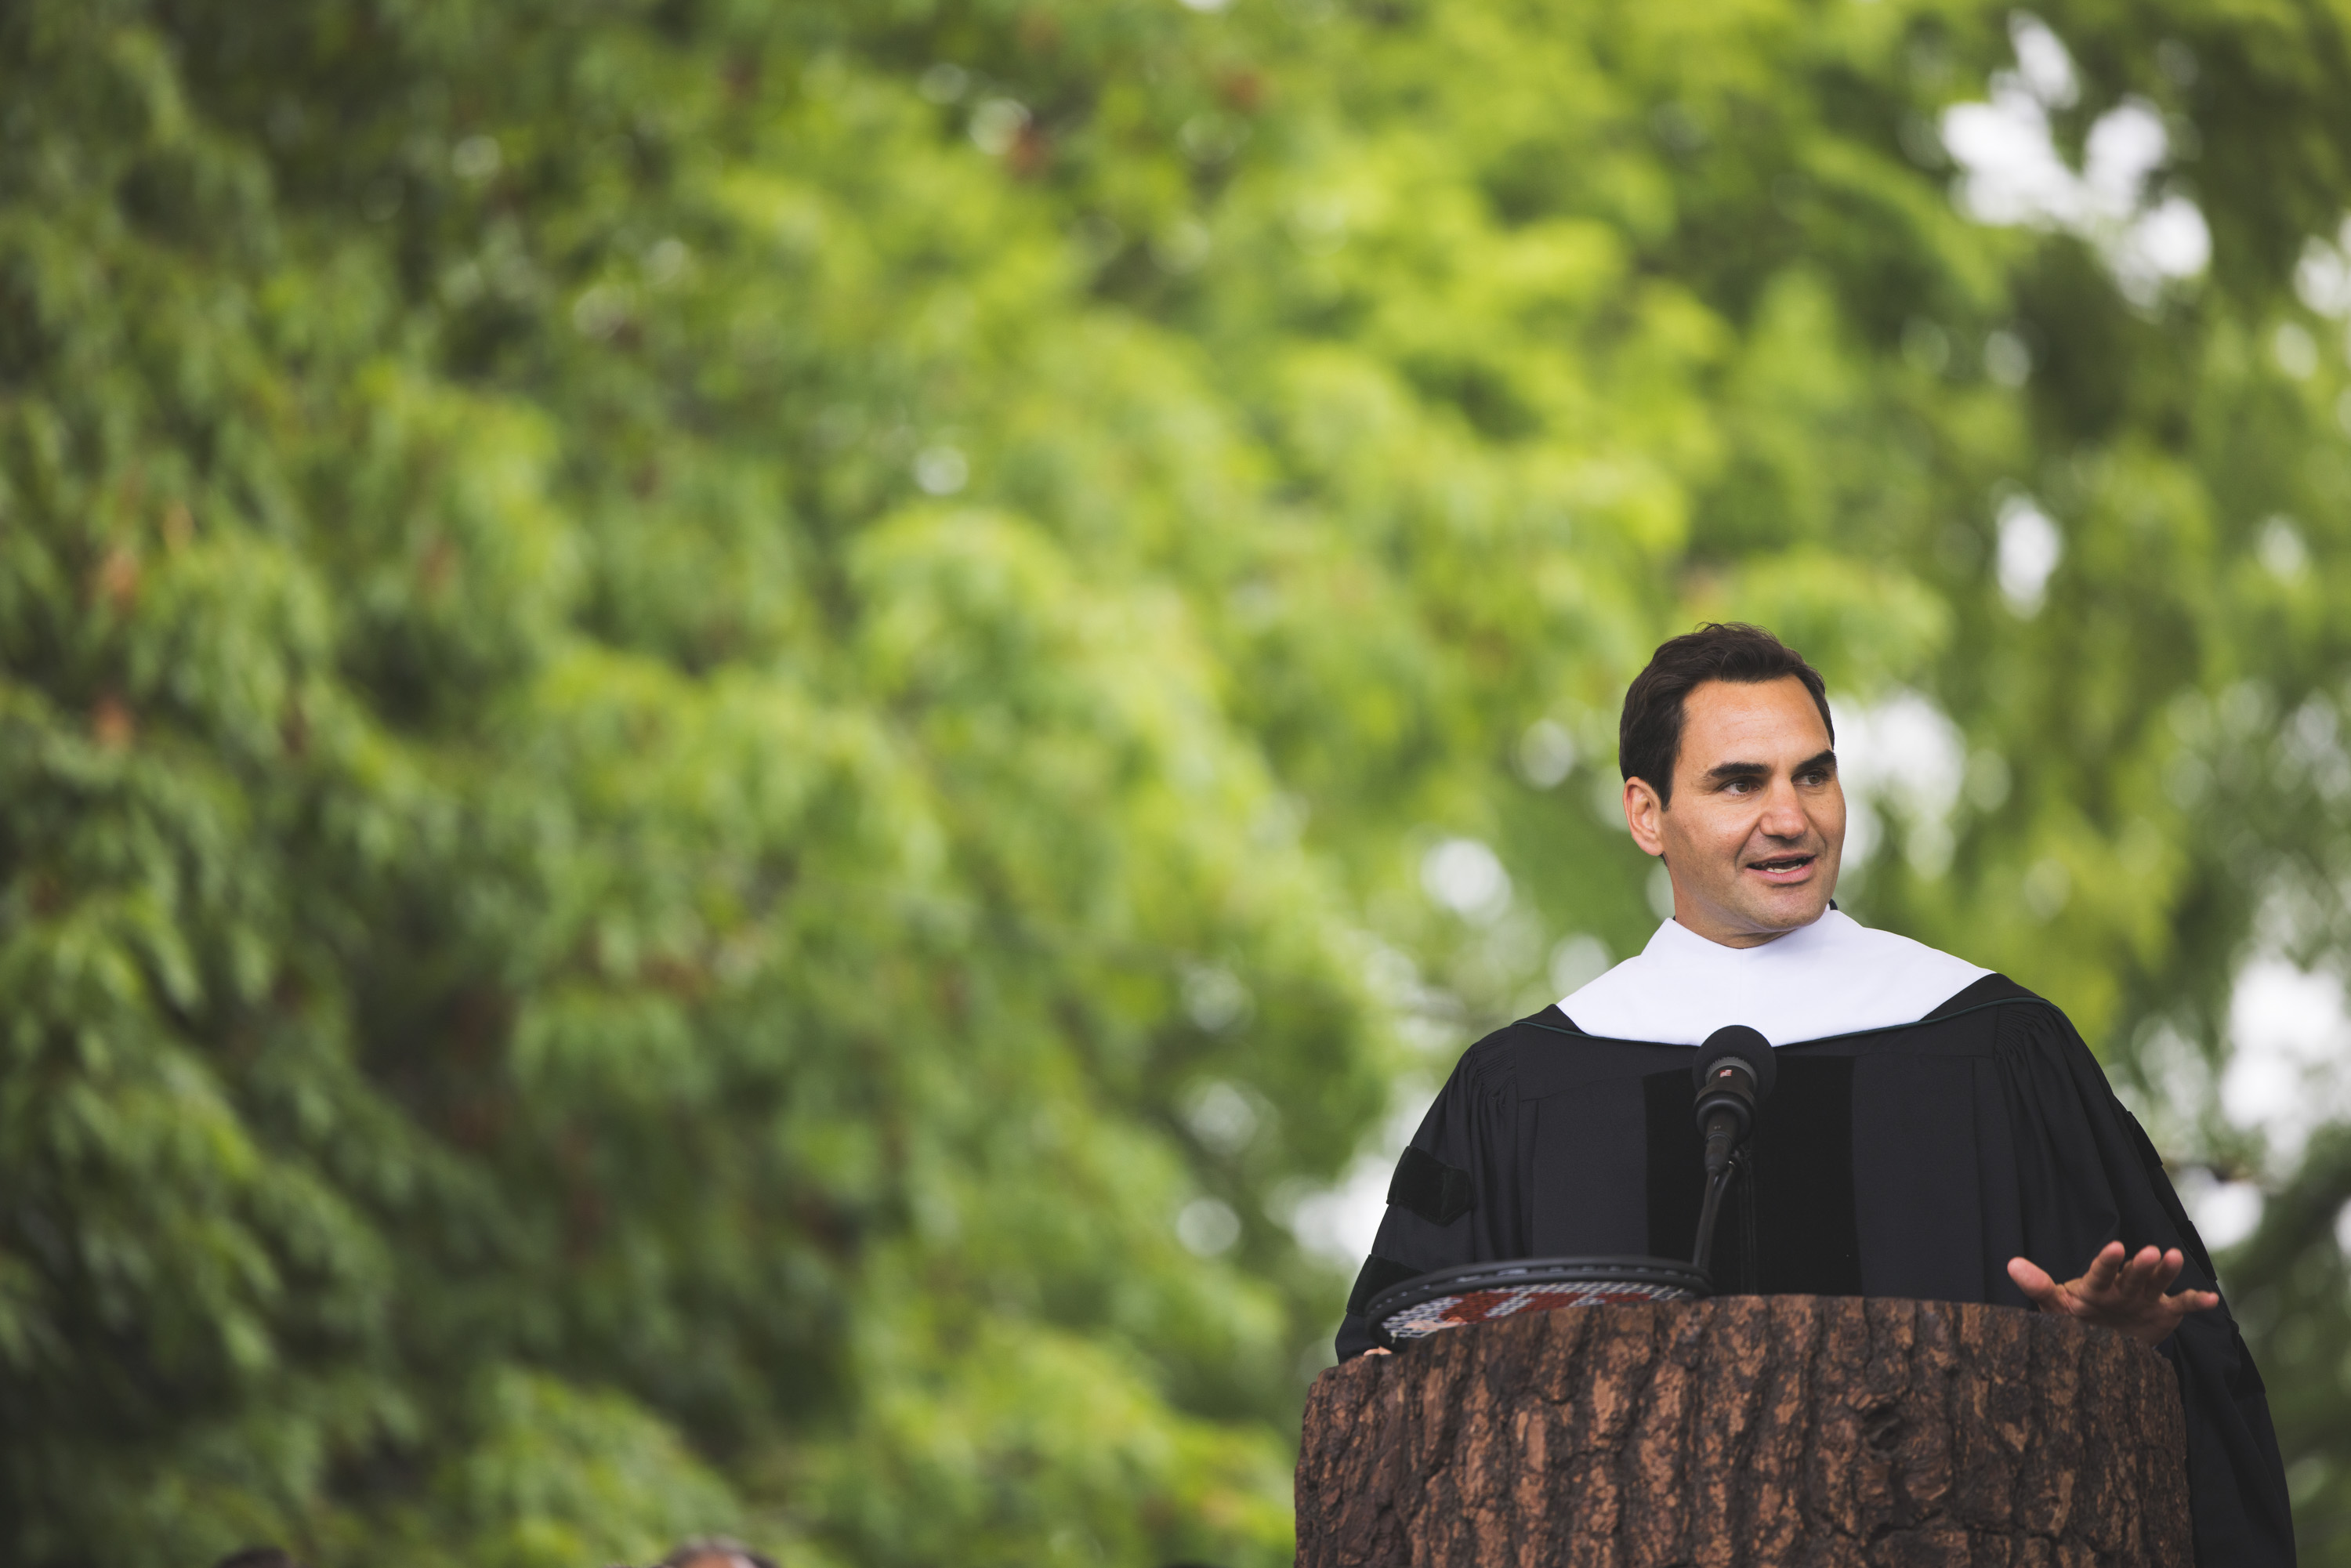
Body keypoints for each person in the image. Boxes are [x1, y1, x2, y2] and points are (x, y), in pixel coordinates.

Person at [1336, 622, 2294, 1564]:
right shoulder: (1522, 1089)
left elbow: (2189, 1402)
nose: (1792, 818)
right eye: (1739, 782)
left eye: (1814, 774)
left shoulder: (1997, 1048)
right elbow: (1395, 1386)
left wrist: (2106, 1358)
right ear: (1646, 814)